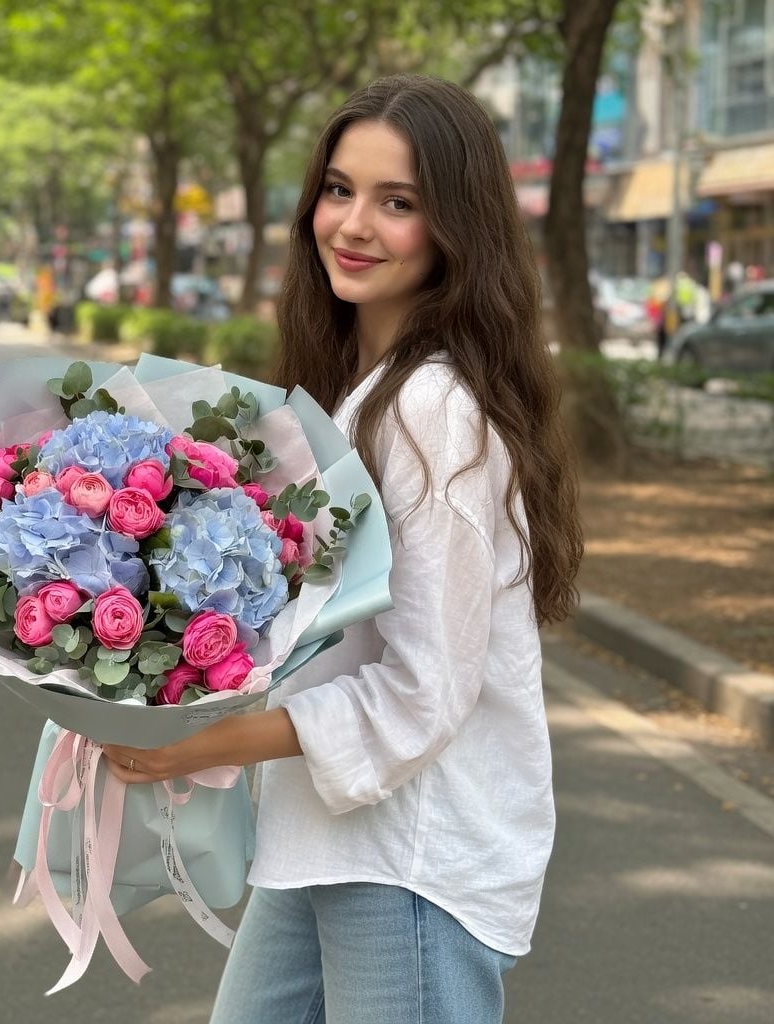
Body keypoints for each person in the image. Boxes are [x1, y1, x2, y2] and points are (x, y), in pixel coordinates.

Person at [100, 74, 583, 1023]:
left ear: (457, 229)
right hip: (325, 832)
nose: (353, 225)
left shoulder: (434, 413)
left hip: (408, 856)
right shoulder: (356, 394)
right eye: (339, 189)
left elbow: (420, 694)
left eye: (398, 203)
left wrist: (201, 742)